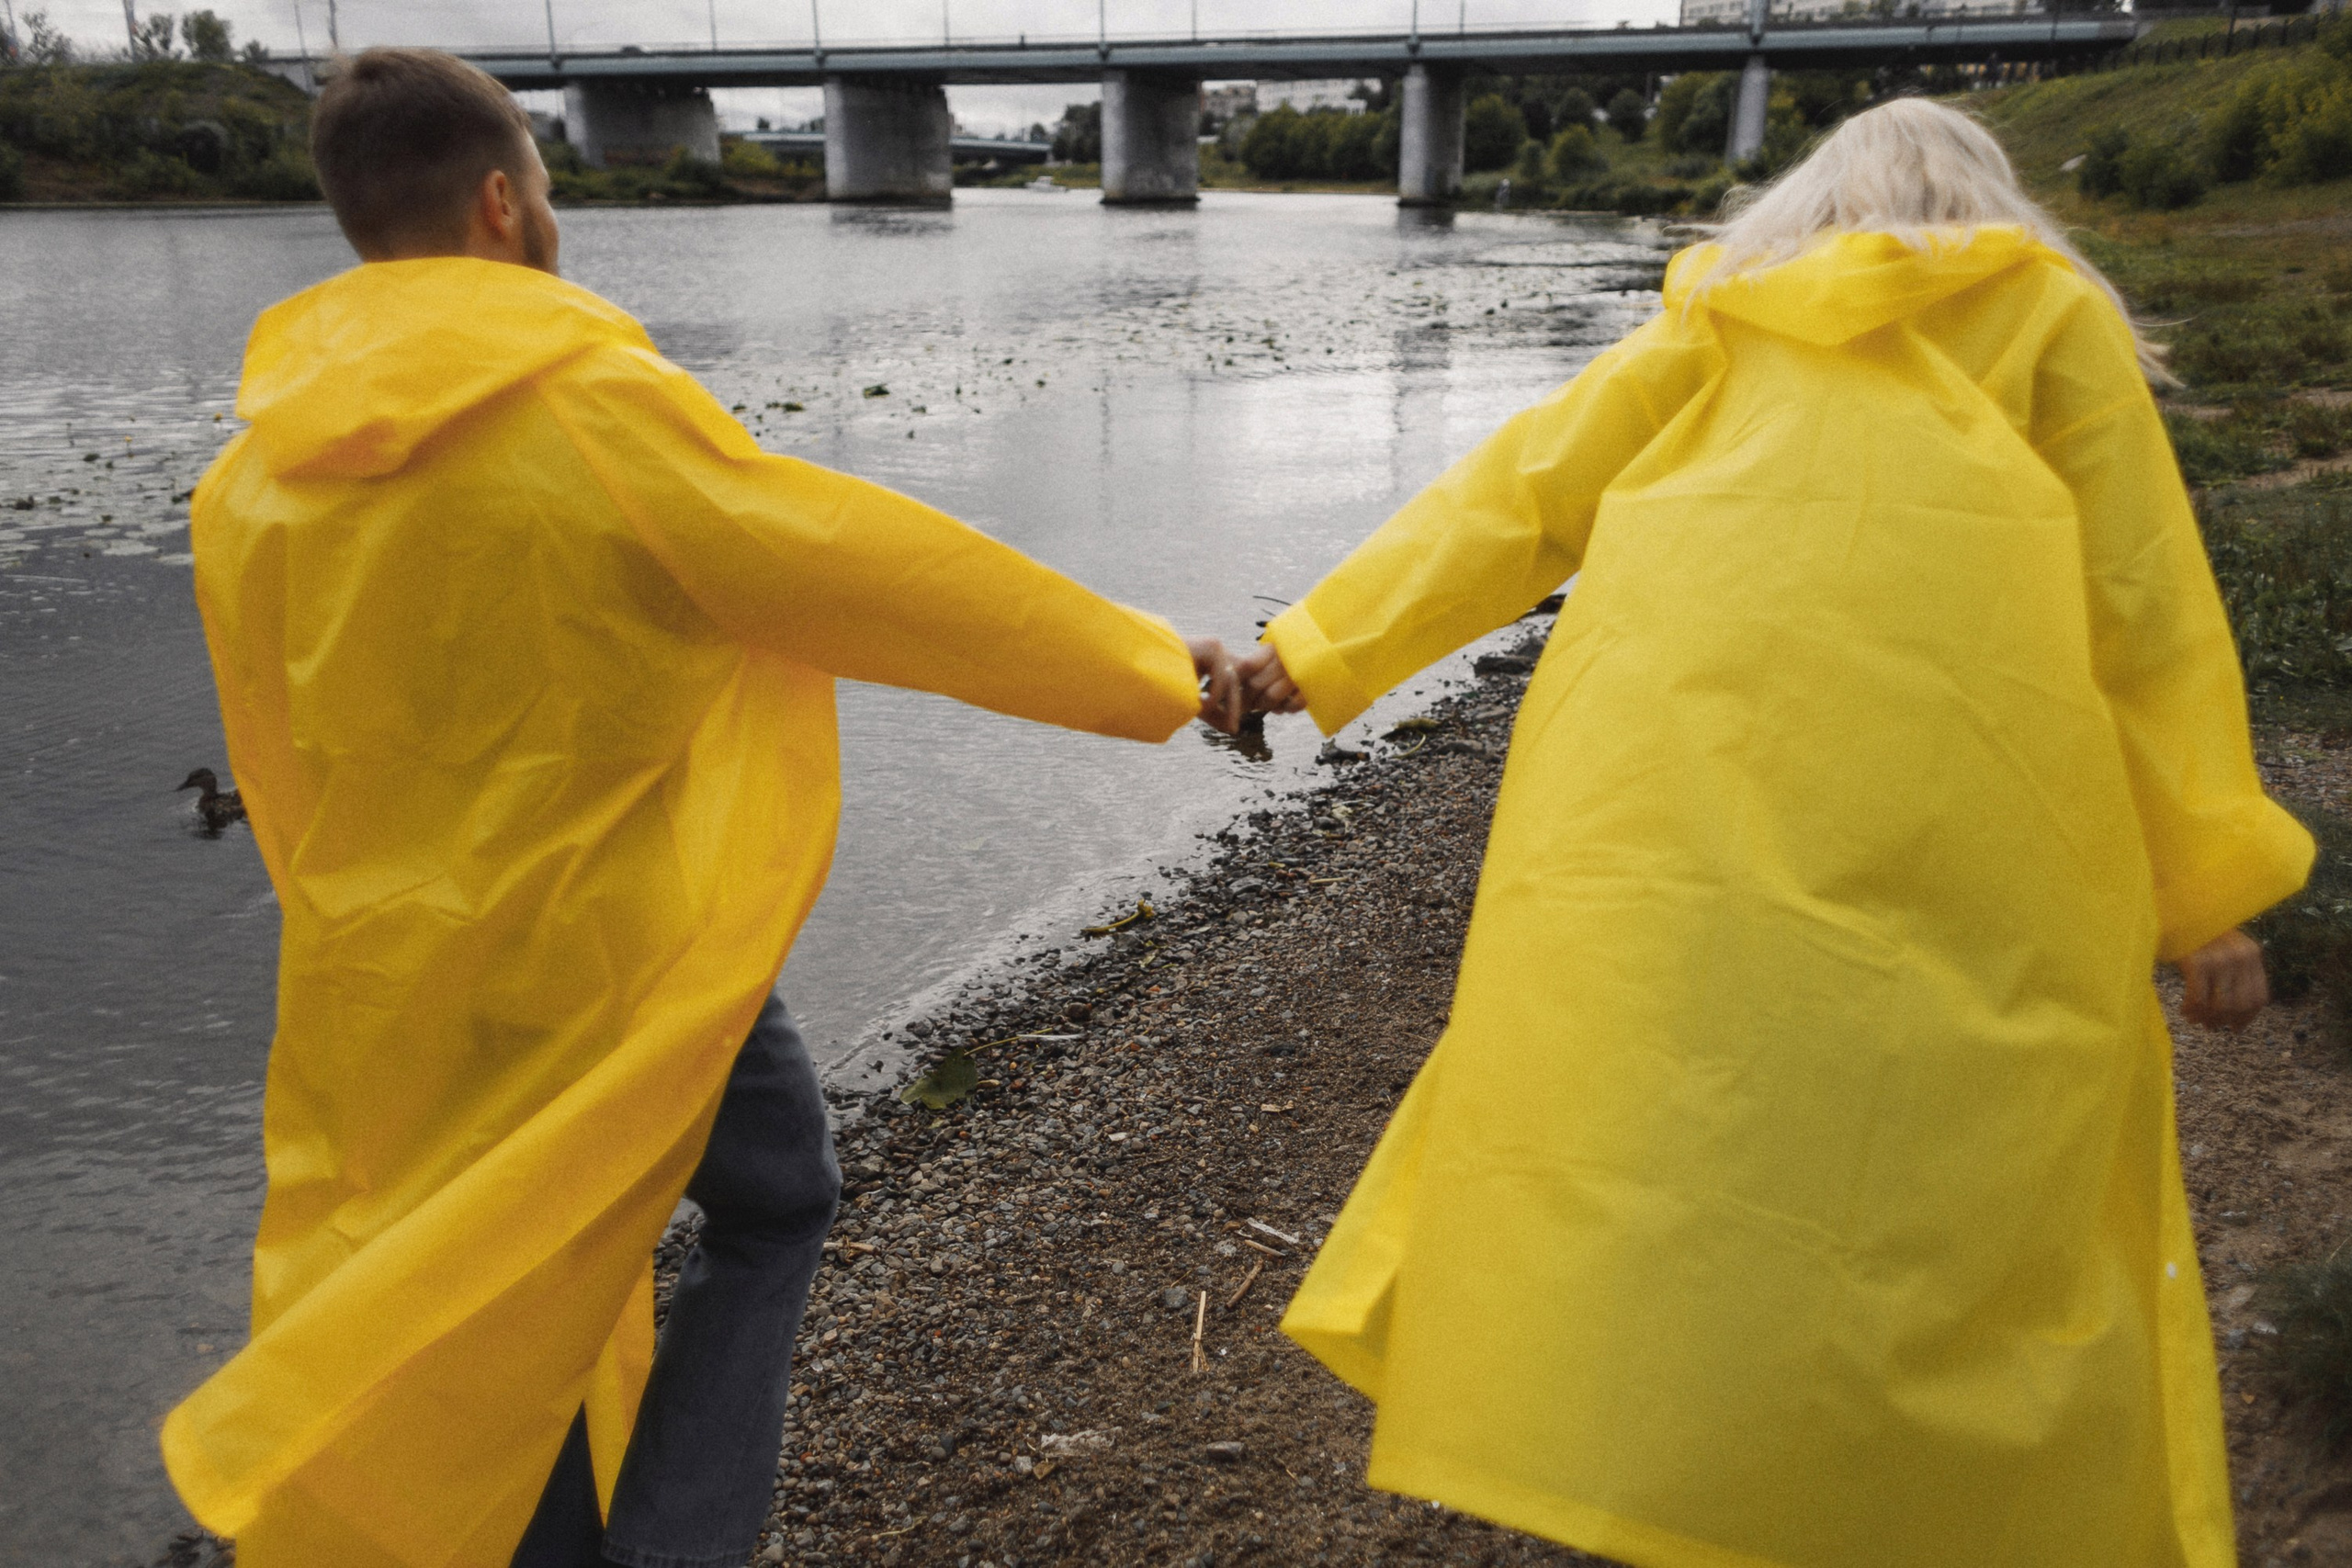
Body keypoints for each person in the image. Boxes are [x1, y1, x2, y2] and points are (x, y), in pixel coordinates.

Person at [160, 47, 1244, 1568]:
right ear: (497, 203)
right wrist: (1150, 668)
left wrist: (347, 930)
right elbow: (866, 574)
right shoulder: (591, 417)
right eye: (543, 187)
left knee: (496, 1293)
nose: (551, 216)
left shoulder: (244, 485)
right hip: (607, 950)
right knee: (671, 1245)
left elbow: (273, 758)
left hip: (389, 982)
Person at [1241, 97, 2306, 1568]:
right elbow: (2144, 613)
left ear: (1810, 204)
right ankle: (1895, 1487)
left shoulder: (1722, 312)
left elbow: (1523, 494)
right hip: (1967, 812)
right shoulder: (2045, 316)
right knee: (1941, 1151)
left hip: (1672, 795)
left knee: (1684, 1125)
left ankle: (1673, 1455)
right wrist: (2206, 899)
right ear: (1991, 204)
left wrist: (1318, 646)